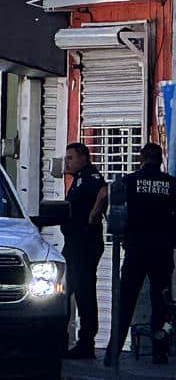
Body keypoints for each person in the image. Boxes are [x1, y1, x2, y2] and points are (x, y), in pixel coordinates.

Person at [103, 142, 176, 368]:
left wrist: (128, 231)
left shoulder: (129, 182)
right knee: (161, 303)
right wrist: (165, 227)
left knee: (125, 302)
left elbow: (115, 213)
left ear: (141, 159)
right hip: (161, 252)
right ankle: (159, 353)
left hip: (135, 250)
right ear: (161, 159)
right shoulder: (171, 184)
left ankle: (112, 354)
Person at [58, 143, 109, 360]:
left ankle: (86, 342)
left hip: (85, 244)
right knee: (61, 291)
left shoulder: (91, 177)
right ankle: (59, 339)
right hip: (73, 244)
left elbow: (105, 191)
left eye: (71, 157)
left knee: (84, 292)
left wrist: (94, 214)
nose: (67, 161)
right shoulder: (78, 179)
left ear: (83, 158)